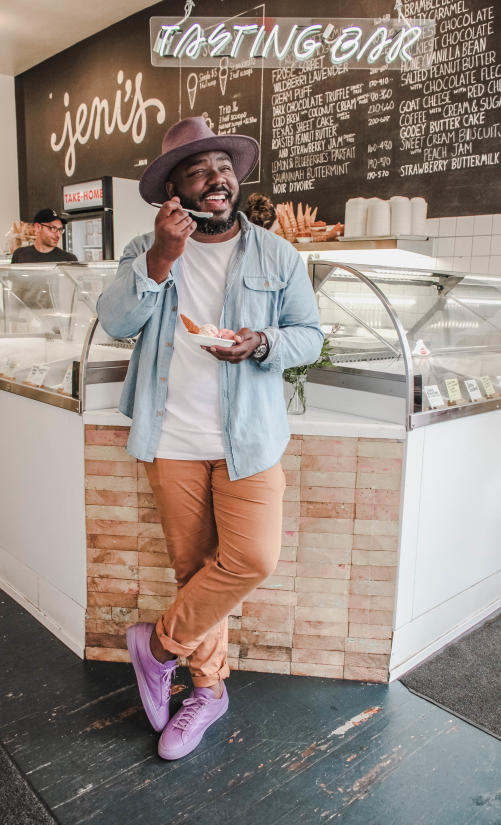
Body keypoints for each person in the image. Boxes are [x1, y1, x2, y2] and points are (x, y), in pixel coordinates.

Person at [96, 116, 323, 761]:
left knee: (250, 561)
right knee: (196, 571)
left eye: (221, 167)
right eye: (197, 171)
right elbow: (115, 322)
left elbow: (310, 334)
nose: (215, 179)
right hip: (171, 440)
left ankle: (157, 646)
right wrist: (162, 258)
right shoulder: (148, 247)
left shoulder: (277, 254)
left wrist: (263, 342)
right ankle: (208, 690)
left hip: (248, 439)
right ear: (174, 190)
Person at [11, 209, 77, 263]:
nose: (58, 235)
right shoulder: (20, 255)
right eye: (53, 228)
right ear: (38, 227)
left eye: (60, 230)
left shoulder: (69, 259)